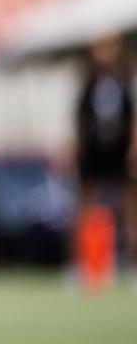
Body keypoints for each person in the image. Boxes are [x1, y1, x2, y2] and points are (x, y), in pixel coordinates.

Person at [72, 34, 137, 279]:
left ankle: (133, 264)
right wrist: (79, 148)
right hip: (95, 151)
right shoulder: (89, 83)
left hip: (118, 150)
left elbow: (131, 118)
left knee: (129, 207)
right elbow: (80, 120)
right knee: (86, 207)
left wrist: (132, 148)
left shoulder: (125, 81)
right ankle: (84, 265)